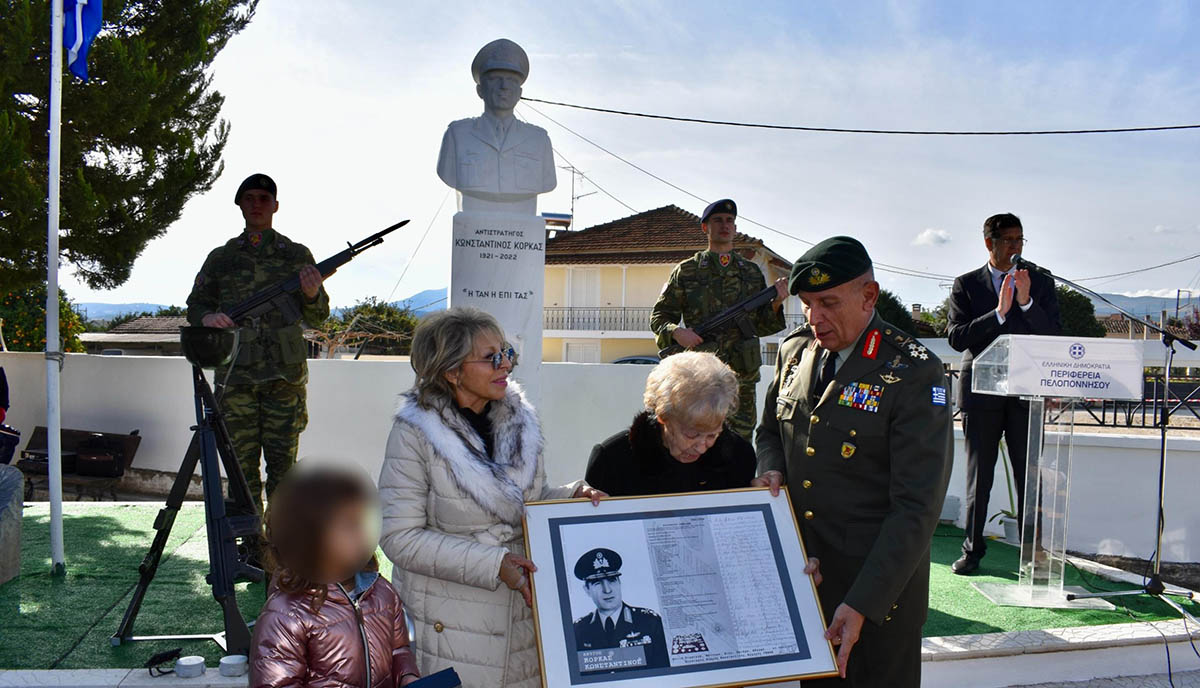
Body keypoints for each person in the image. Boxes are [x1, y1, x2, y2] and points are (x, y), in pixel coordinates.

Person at [754, 236, 953, 687]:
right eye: (806, 304)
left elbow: (917, 507)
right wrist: (771, 468)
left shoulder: (913, 371)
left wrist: (863, 601)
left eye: (827, 302)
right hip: (810, 578)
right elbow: (770, 432)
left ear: (869, 296)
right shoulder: (795, 351)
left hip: (879, 593)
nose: (814, 318)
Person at [379, 307, 604, 688]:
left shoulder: (520, 420)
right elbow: (399, 537)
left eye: (507, 352)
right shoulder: (415, 432)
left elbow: (522, 501)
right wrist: (492, 562)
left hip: (522, 619)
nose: (506, 365)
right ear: (452, 372)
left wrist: (572, 497)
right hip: (452, 623)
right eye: (491, 357)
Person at [186, 173, 329, 508]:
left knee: (284, 470)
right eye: (249, 198)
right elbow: (196, 304)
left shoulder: (296, 255)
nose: (256, 205)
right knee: (239, 467)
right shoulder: (222, 258)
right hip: (236, 379)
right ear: (239, 205)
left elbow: (318, 317)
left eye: (264, 199)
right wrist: (208, 318)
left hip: (284, 379)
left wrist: (311, 294)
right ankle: (249, 546)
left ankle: (282, 545)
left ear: (276, 206)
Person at [947, 213, 1061, 575]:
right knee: (979, 478)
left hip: (1027, 393)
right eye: (1008, 240)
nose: (1015, 247)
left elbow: (1052, 336)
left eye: (1020, 240)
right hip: (981, 393)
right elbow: (957, 337)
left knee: (1030, 475)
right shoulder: (966, 285)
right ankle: (972, 551)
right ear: (989, 244)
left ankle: (1034, 553)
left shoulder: (1040, 282)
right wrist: (998, 313)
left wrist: (1026, 303)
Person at [251, 464, 420, 688]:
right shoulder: (286, 614)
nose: (362, 534)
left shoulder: (382, 592)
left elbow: (399, 650)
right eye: (349, 525)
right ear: (310, 535)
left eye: (363, 523)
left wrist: (408, 677)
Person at [650, 199, 788, 441]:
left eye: (729, 221)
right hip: (700, 379)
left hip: (741, 379)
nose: (725, 225)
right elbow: (660, 317)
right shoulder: (687, 271)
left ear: (734, 228)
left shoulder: (751, 272)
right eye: (718, 220)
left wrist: (776, 302)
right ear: (705, 228)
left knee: (740, 444)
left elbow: (763, 325)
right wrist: (677, 333)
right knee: (697, 439)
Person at [585, 351, 756, 496]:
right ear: (663, 417)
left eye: (712, 435)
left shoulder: (739, 456)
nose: (702, 447)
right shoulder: (612, 460)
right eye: (692, 434)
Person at [436, 39, 556, 213]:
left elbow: (548, 182)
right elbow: (447, 174)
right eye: (495, 78)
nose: (504, 86)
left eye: (512, 80)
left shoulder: (539, 140)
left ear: (520, 92)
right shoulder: (457, 135)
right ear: (479, 90)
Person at [571, 548, 669, 672]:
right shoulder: (578, 630)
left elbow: (664, 672)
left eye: (612, 580)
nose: (607, 590)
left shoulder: (650, 622)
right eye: (597, 583)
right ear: (587, 590)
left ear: (619, 582)